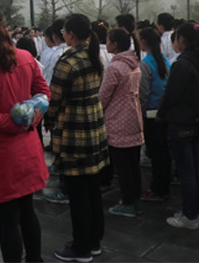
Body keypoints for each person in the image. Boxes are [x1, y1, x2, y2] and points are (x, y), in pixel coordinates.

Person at [0, 10, 50, 263]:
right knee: (27, 211)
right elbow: (44, 94)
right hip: (27, 148)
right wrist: (30, 119)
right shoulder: (25, 57)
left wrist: (15, 123)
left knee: (8, 220)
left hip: (0, 153)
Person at [48, 14, 109, 262]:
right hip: (94, 128)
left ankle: (81, 247)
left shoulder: (68, 61)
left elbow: (54, 99)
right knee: (92, 188)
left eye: (64, 31)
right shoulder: (94, 56)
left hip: (74, 131)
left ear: (71, 34)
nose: (63, 34)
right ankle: (94, 241)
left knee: (77, 192)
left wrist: (48, 118)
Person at [157, 22, 199, 230]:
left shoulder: (182, 64)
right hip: (197, 119)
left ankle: (190, 214)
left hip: (181, 122)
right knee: (195, 168)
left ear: (181, 40)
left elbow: (171, 94)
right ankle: (196, 210)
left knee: (186, 171)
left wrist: (161, 113)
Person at [99, 29, 143, 218]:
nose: (106, 43)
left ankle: (127, 202)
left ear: (115, 44)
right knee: (133, 164)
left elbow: (103, 96)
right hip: (133, 117)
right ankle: (136, 199)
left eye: (108, 40)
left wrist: (96, 112)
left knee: (122, 165)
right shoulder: (134, 63)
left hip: (117, 120)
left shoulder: (115, 67)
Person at [137, 27, 172, 203]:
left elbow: (143, 94)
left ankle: (158, 188)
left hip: (151, 114)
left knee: (156, 153)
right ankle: (163, 185)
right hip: (164, 112)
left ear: (144, 41)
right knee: (164, 151)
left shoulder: (145, 64)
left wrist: (140, 115)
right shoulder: (164, 60)